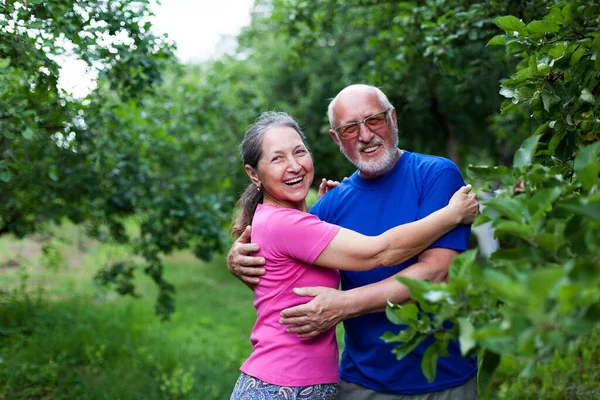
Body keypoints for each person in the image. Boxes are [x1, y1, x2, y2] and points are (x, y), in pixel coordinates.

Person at [228, 84, 479, 399]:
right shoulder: (331, 206)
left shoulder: (435, 174)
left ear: (393, 119)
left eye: (374, 120)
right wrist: (237, 257)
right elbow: (283, 270)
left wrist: (343, 305)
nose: (365, 135)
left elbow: (435, 275)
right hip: (359, 385)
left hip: (442, 381)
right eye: (349, 128)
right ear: (336, 139)